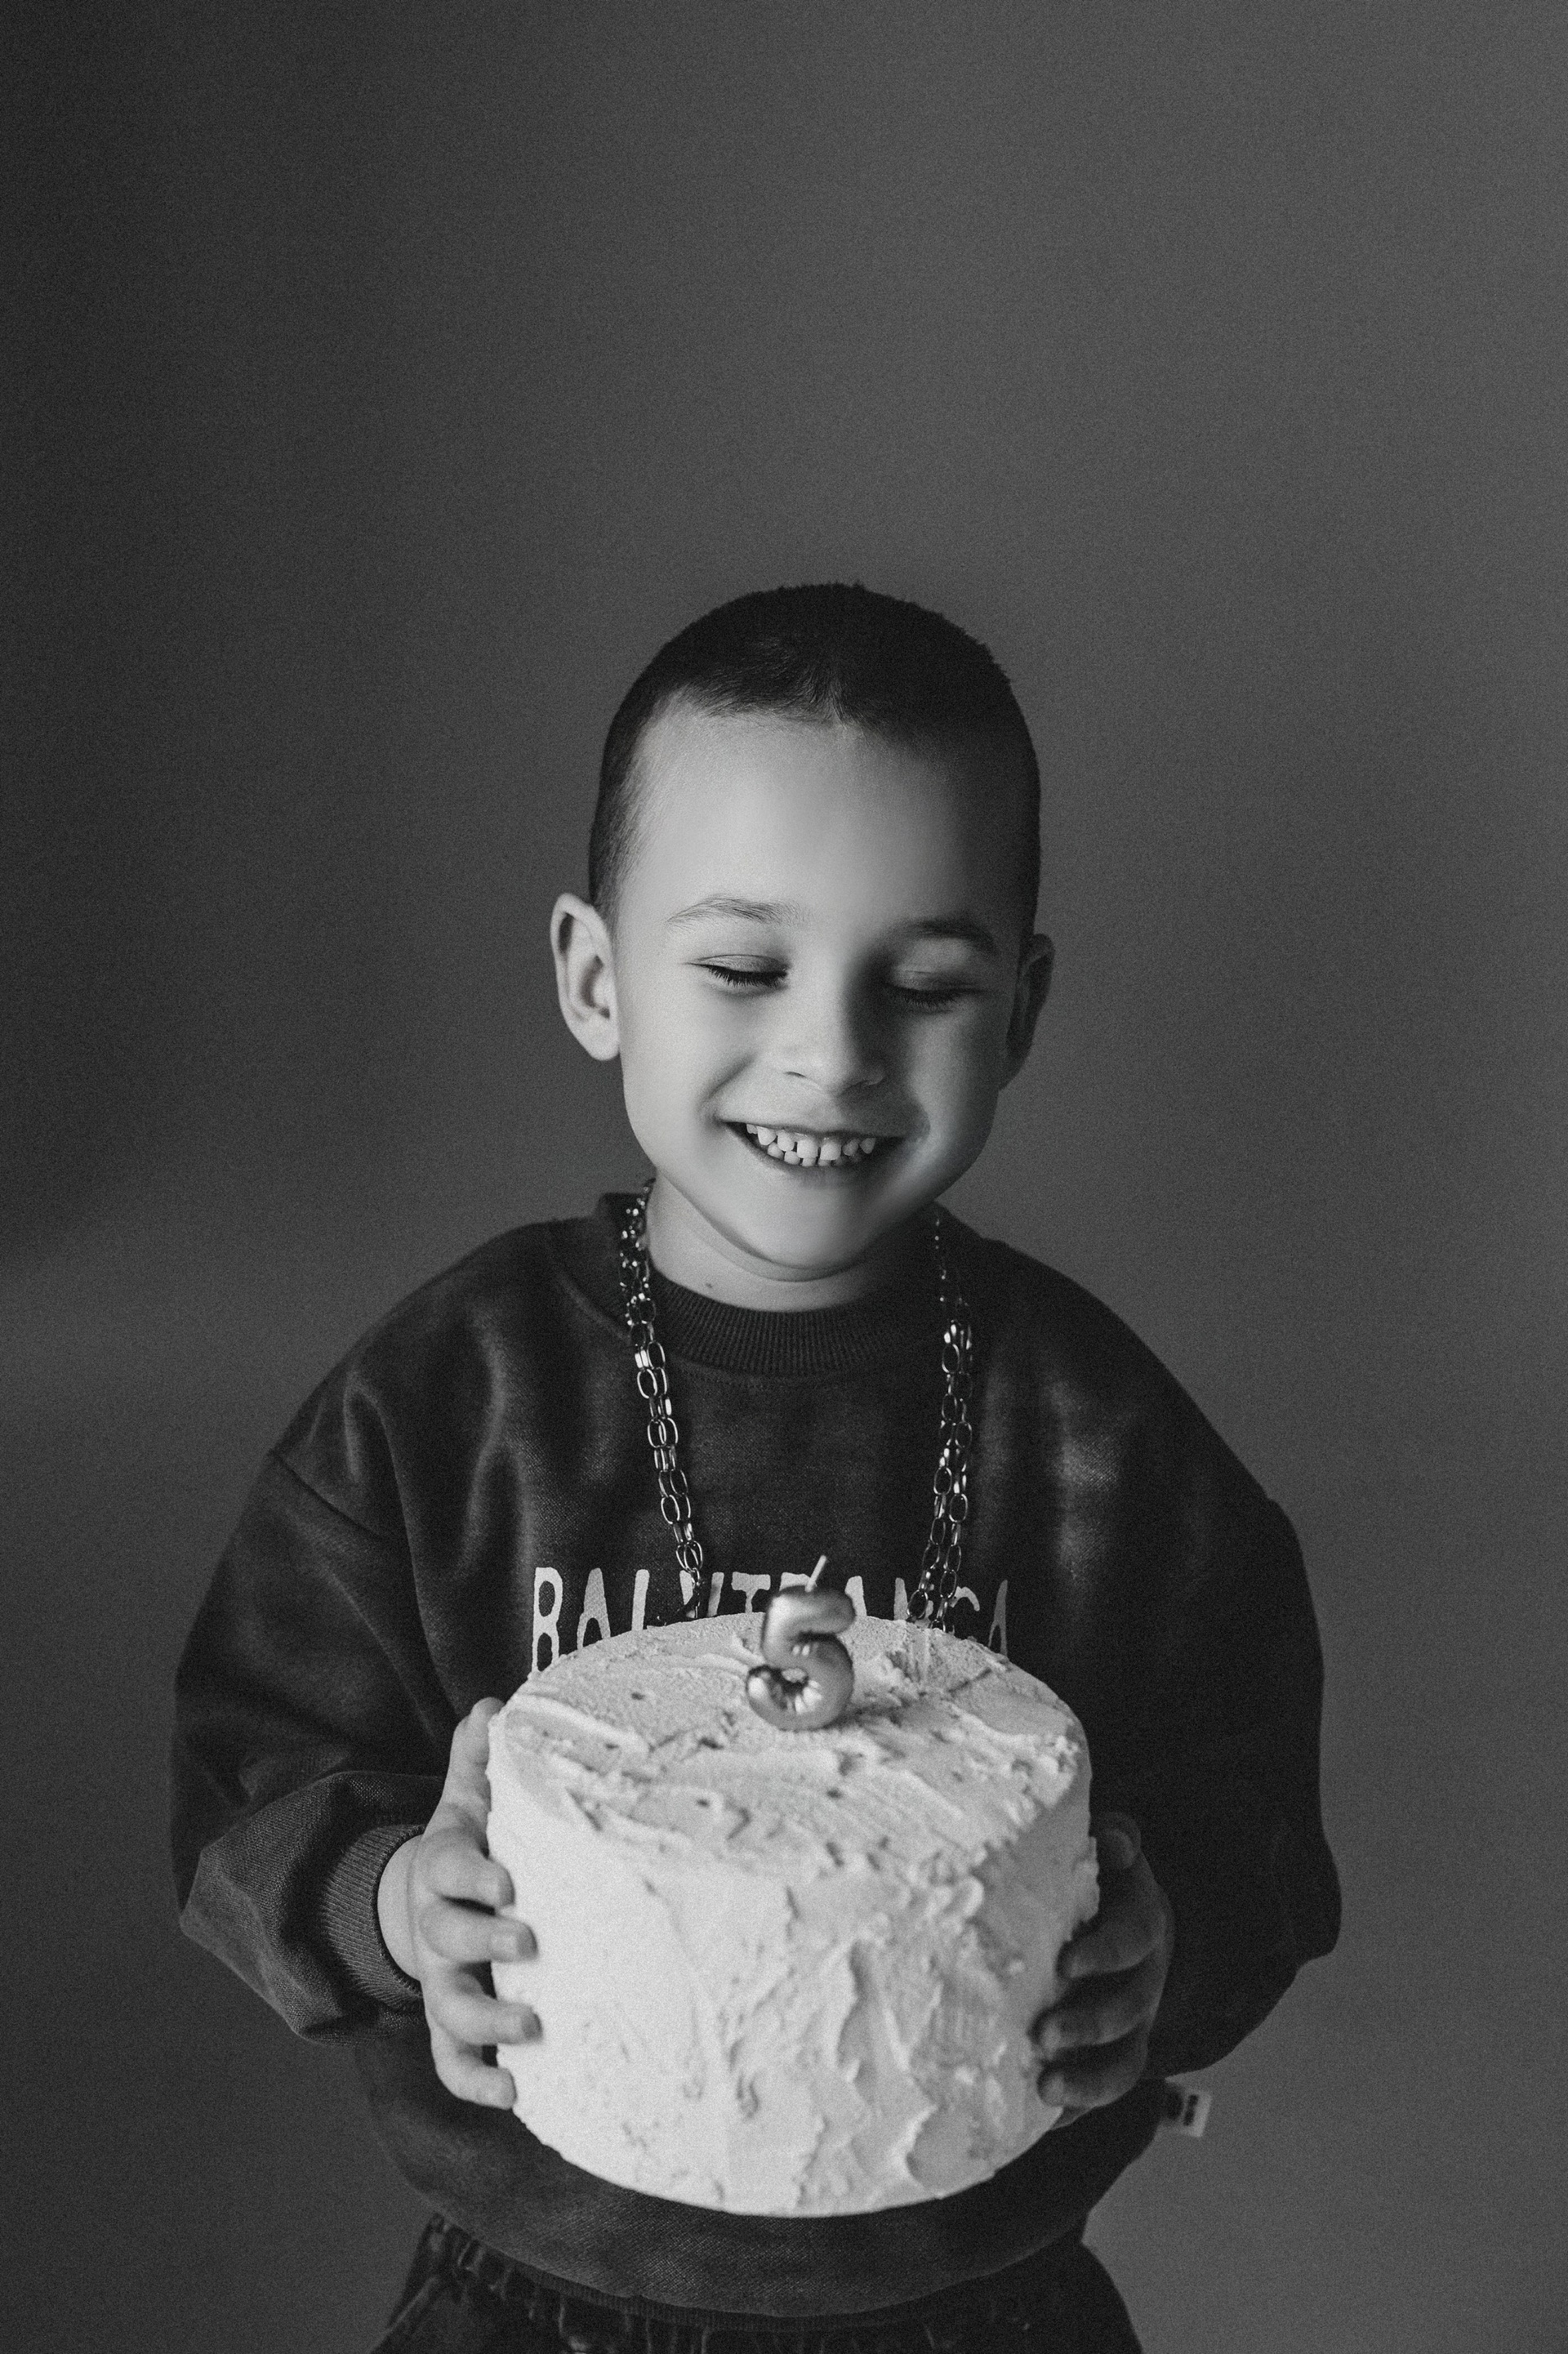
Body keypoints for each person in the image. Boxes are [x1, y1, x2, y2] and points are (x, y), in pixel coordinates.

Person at [172, 583, 1340, 2352]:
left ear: (1019, 1009)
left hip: (979, 2309)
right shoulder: (447, 1402)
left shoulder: (1101, 1438)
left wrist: (1170, 1938)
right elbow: (244, 1773)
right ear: (597, 977)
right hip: (534, 2307)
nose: (833, 1051)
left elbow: (1257, 1814)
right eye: (742, 967)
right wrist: (391, 1901)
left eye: (925, 983)